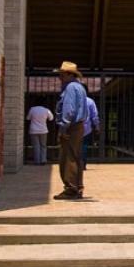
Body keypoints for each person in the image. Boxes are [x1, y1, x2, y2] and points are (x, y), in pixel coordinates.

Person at [53, 61, 88, 200]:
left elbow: (69, 110)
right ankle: (77, 187)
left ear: (69, 74)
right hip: (77, 126)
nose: (59, 77)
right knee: (75, 156)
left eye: (61, 74)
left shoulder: (70, 88)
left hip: (71, 127)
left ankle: (71, 189)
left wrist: (63, 128)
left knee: (67, 157)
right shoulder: (79, 87)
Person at [80, 83, 100, 170]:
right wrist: (97, 126)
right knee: (84, 146)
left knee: (74, 147)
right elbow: (94, 115)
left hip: (74, 128)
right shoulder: (90, 101)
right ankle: (83, 164)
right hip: (86, 128)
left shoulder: (74, 100)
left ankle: (75, 164)